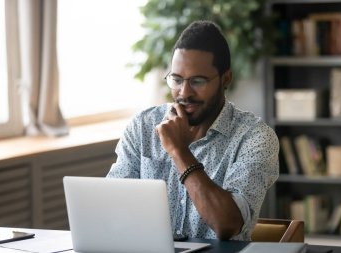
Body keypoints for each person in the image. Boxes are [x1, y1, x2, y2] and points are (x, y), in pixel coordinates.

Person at [107, 20, 279, 241]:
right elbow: (111, 208)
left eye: (198, 81)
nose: (184, 92)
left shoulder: (255, 137)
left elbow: (228, 224)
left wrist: (179, 151)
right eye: (176, 80)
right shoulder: (143, 126)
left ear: (226, 79)